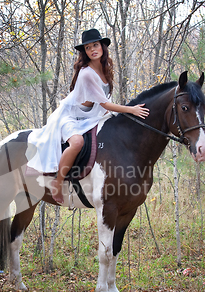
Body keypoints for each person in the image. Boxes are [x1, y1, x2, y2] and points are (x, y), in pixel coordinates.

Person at [26, 28, 149, 204]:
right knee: (77, 143)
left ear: (102, 47)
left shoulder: (104, 69)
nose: (92, 50)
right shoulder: (86, 73)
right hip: (70, 117)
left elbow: (104, 101)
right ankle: (57, 182)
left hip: (89, 117)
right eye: (88, 47)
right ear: (84, 51)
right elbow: (104, 104)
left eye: (95, 45)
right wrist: (131, 110)